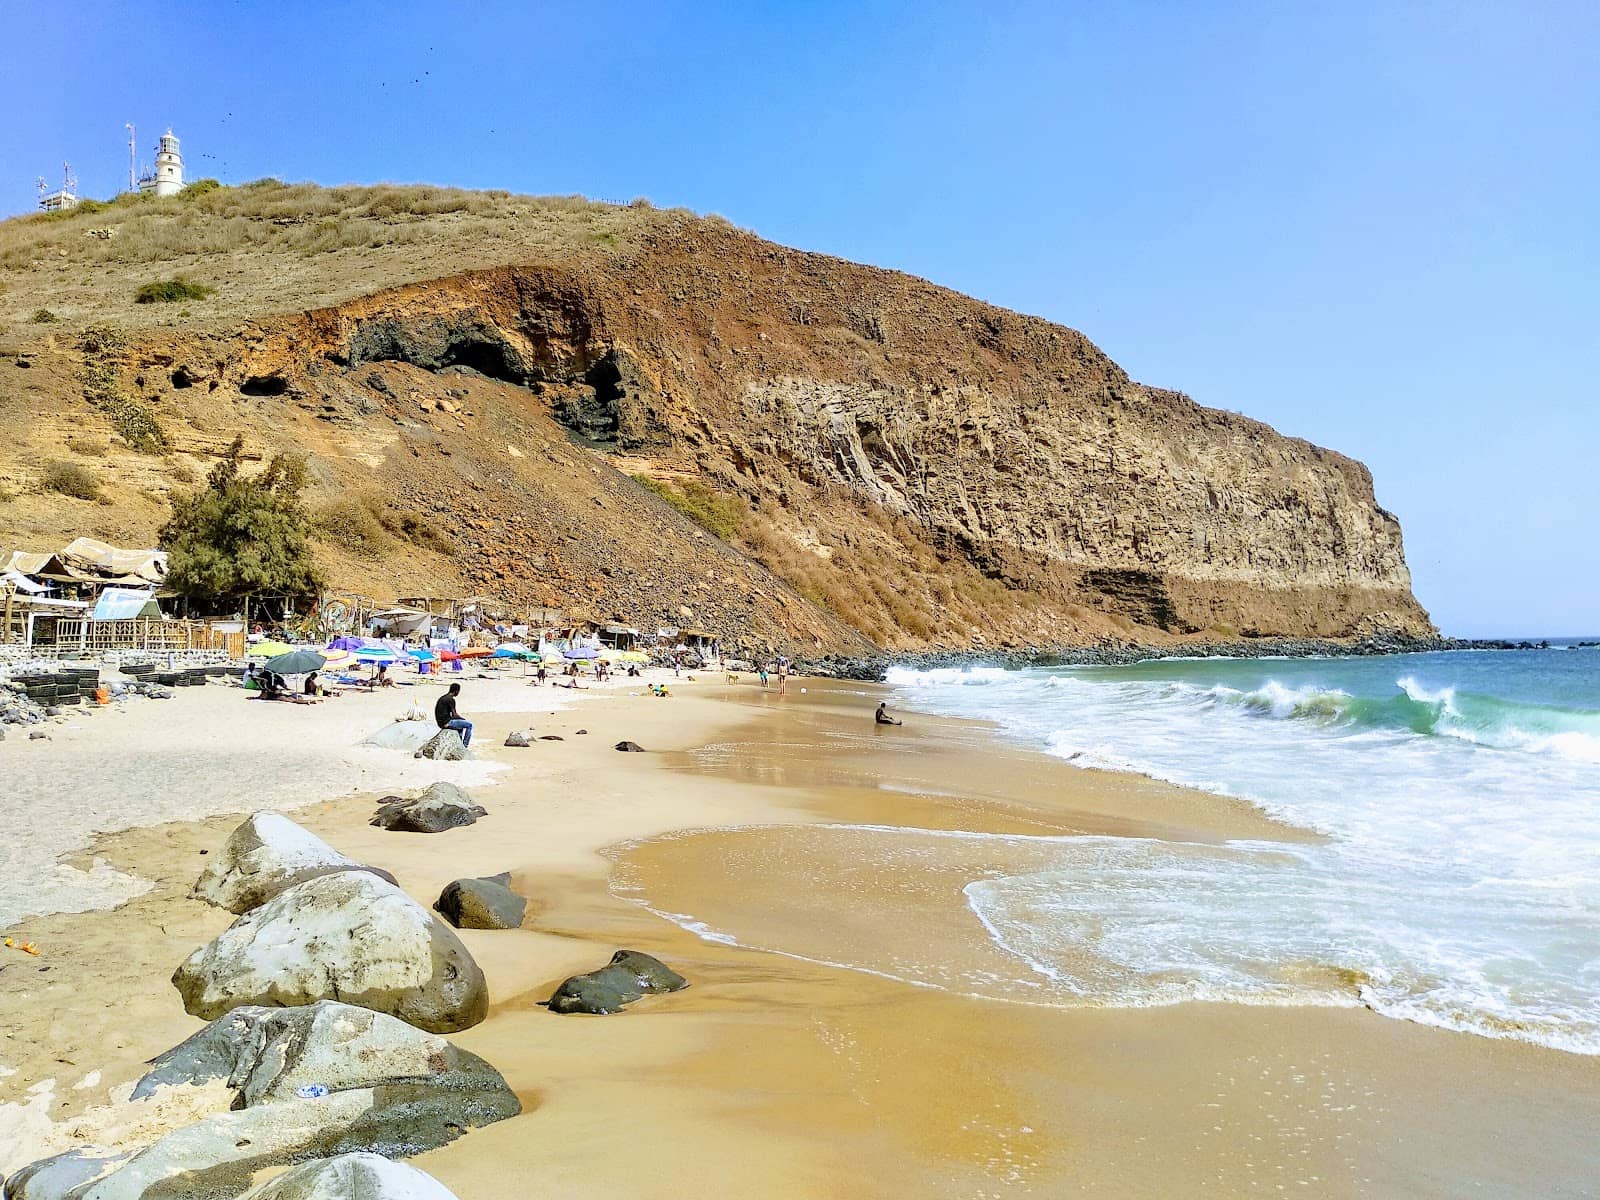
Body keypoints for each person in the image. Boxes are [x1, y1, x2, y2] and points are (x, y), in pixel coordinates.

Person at [434, 682, 474, 747]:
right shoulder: (451, 700)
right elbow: (454, 715)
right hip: (446, 723)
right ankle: (465, 745)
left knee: (460, 727)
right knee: (470, 725)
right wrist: (463, 719)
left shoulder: (443, 698)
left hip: (440, 723)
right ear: (456, 691)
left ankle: (459, 744)